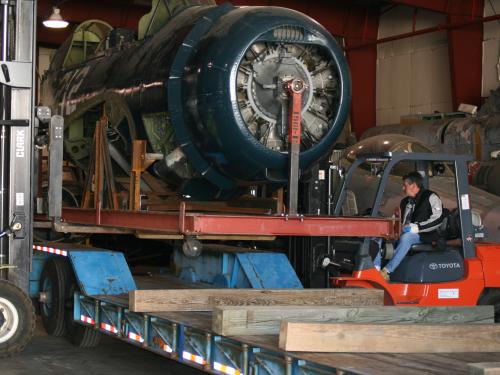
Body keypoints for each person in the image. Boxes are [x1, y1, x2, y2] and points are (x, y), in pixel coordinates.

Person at [374, 171, 444, 281]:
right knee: (376, 235)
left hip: (423, 234)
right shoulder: (405, 201)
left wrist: (417, 228)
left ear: (414, 186)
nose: (402, 188)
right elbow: (396, 218)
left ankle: (387, 271)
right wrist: (387, 225)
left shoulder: (431, 197)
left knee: (407, 237)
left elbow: (438, 219)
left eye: (404, 185)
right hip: (404, 231)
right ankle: (375, 269)